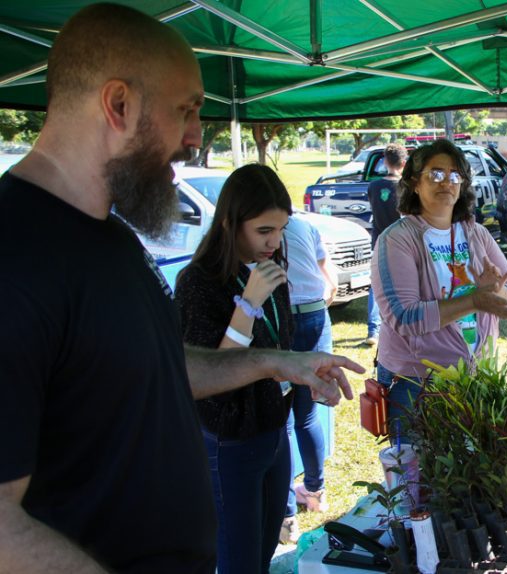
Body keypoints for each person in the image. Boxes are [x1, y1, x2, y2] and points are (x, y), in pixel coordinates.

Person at [0, 5, 361, 573]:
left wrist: (277, 362)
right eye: (186, 110)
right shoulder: (15, 258)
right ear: (118, 105)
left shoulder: (113, 239)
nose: (196, 137)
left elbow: (171, 369)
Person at [174, 165, 312, 573]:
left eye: (282, 229)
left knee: (264, 550)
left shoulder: (271, 270)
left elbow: (278, 348)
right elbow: (210, 379)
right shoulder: (197, 283)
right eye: (264, 230)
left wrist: (305, 374)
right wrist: (248, 304)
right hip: (229, 441)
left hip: (272, 430)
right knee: (239, 561)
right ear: (231, 224)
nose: (275, 242)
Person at [370, 140, 507, 437]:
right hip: (417, 384)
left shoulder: (476, 233)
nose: (447, 182)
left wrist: (499, 294)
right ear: (415, 183)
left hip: (477, 376)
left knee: (468, 477)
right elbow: (404, 318)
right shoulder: (397, 240)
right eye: (436, 174)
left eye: (455, 176)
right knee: (415, 480)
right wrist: (476, 301)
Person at [280, 214, 338, 544]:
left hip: (284, 315)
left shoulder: (253, 228)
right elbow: (329, 278)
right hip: (316, 312)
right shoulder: (305, 225)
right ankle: (315, 492)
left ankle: (288, 515)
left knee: (285, 421)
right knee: (307, 415)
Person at [366, 143, 407, 346]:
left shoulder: (373, 186)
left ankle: (373, 330)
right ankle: (395, 323)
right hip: (399, 243)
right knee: (400, 285)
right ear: (404, 163)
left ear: (384, 161)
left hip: (378, 241)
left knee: (376, 284)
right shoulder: (405, 187)